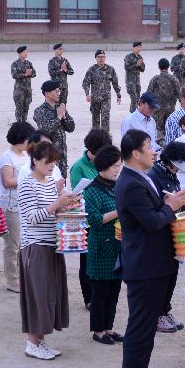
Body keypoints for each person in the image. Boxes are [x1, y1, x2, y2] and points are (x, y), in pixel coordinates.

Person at [115, 129, 185, 368]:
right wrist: (170, 205)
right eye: (149, 146)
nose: (154, 150)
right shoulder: (131, 182)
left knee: (146, 326)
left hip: (154, 263)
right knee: (140, 325)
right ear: (136, 153)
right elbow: (152, 221)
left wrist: (172, 204)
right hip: (144, 265)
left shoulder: (140, 176)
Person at [18, 141, 80, 359]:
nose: (52, 165)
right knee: (38, 295)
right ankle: (32, 343)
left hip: (53, 244)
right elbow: (32, 217)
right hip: (35, 246)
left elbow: (52, 214)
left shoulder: (50, 182)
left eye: (54, 162)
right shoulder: (27, 184)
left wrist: (67, 204)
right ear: (35, 161)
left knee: (50, 294)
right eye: (48, 162)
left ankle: (40, 341)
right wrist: (57, 203)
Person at [147, 142, 185, 334]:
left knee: (172, 274)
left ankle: (165, 309)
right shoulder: (154, 176)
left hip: (173, 230)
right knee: (160, 275)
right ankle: (156, 313)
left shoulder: (172, 174)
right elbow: (156, 205)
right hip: (159, 232)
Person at [84, 145, 125, 345]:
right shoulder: (92, 190)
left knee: (114, 290)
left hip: (117, 244)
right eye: (114, 166)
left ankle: (109, 327)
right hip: (101, 246)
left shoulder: (116, 186)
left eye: (119, 165)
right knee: (100, 292)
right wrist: (120, 211)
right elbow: (94, 219)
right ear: (103, 166)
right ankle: (98, 330)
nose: (118, 169)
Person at [69, 128, 113, 309]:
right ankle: (89, 297)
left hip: (108, 217)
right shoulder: (78, 166)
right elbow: (77, 194)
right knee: (87, 259)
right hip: (88, 218)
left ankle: (103, 294)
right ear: (92, 150)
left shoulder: (108, 164)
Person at [0, 121, 35, 293]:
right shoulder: (7, 156)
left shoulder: (27, 156)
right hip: (11, 207)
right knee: (13, 245)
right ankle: (12, 280)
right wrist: (29, 180)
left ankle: (22, 277)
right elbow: (8, 181)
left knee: (24, 244)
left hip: (25, 205)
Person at [33, 80, 76, 178]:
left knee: (62, 182)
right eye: (56, 91)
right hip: (49, 156)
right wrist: (59, 117)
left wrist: (64, 116)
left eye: (59, 91)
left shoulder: (60, 107)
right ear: (47, 93)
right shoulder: (40, 111)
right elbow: (45, 130)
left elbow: (71, 128)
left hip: (62, 155)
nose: (59, 93)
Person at [82, 49, 122, 131]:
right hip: (95, 99)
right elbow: (85, 83)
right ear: (96, 58)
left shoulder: (110, 69)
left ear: (105, 58)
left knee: (105, 119)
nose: (101, 58)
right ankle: (96, 140)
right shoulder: (91, 70)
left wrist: (118, 95)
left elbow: (115, 83)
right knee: (95, 121)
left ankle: (106, 138)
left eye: (103, 57)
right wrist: (87, 94)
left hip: (106, 98)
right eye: (99, 57)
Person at [146, 58, 182, 146]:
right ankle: (168, 143)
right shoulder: (174, 79)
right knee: (169, 127)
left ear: (159, 67)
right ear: (168, 67)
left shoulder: (155, 79)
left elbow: (148, 93)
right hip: (170, 108)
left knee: (157, 127)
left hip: (157, 109)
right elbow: (180, 94)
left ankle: (159, 143)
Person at [11, 45, 37, 122]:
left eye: (26, 52)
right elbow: (14, 75)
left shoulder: (28, 63)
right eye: (24, 52)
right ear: (19, 54)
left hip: (28, 90)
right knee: (19, 108)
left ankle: (24, 122)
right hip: (19, 90)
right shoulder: (15, 64)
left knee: (26, 107)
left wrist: (30, 74)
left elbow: (34, 74)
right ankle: (19, 123)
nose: (26, 53)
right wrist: (25, 74)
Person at [124, 42, 146, 113]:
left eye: (140, 47)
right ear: (133, 48)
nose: (139, 48)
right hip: (130, 81)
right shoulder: (128, 56)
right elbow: (127, 68)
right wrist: (136, 65)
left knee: (137, 100)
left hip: (137, 82)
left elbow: (143, 69)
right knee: (133, 99)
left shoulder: (140, 57)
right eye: (137, 47)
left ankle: (132, 113)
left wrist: (140, 65)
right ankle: (133, 115)